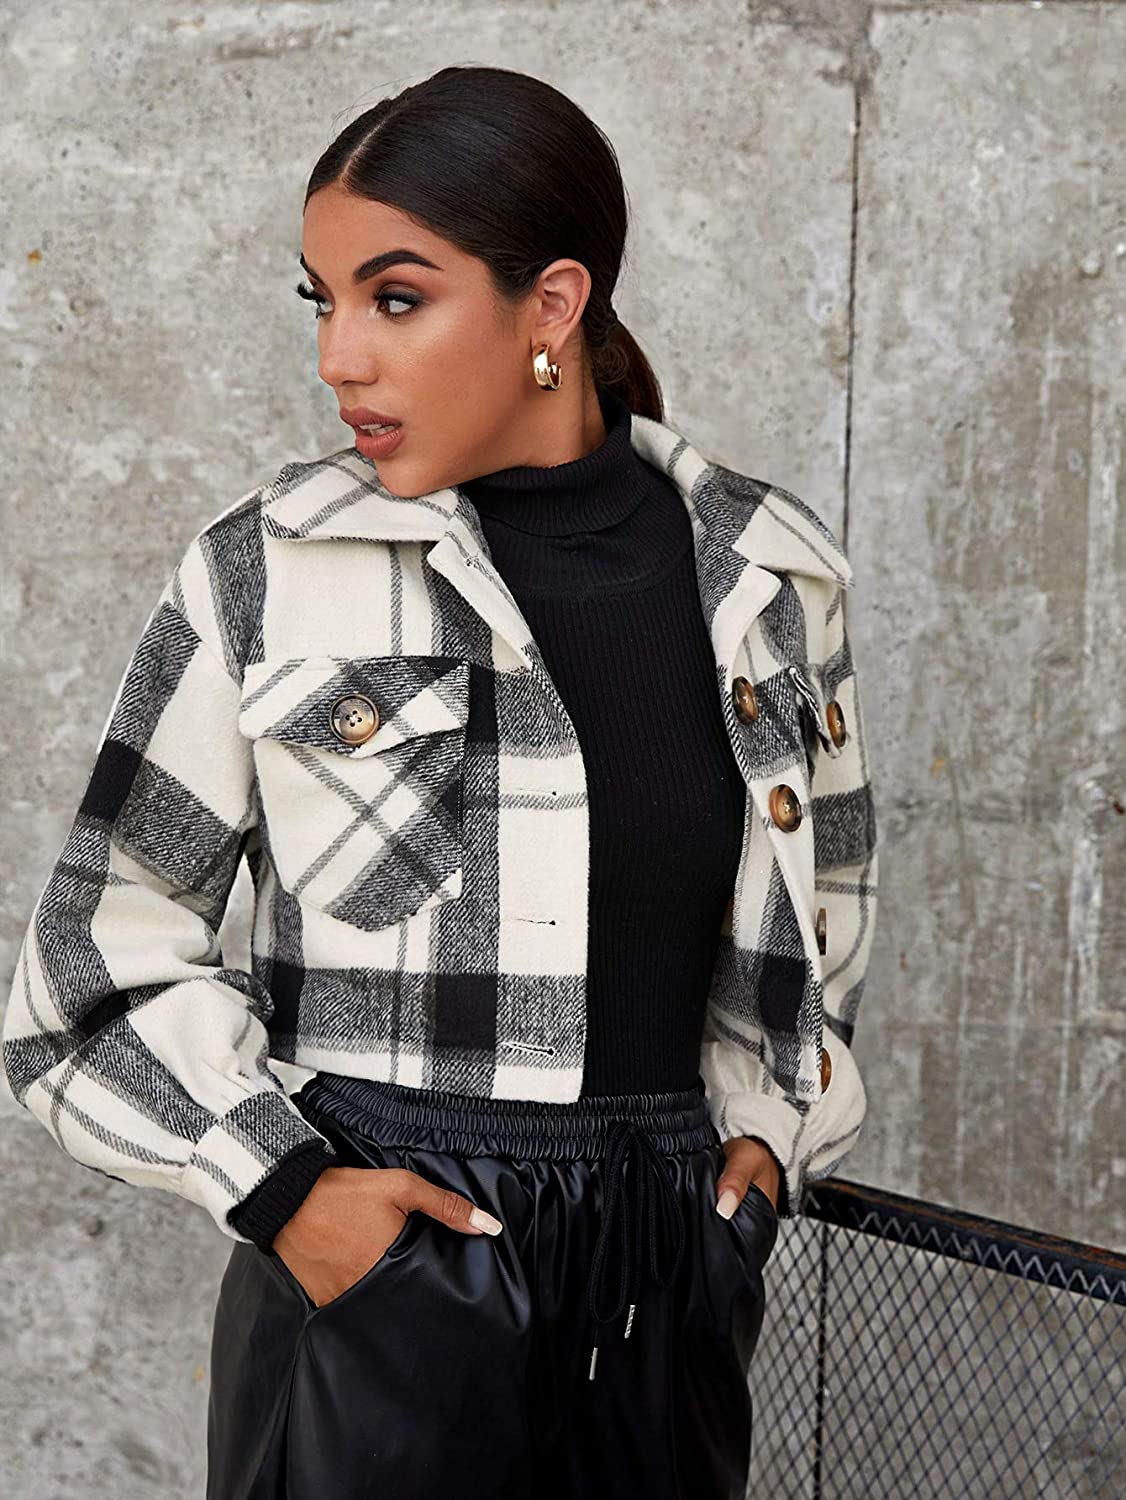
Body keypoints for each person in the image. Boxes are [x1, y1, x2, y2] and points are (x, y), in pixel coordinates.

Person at [1, 63, 878, 1500]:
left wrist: (763, 1153)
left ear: (552, 306)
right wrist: (289, 1192)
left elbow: (818, 921)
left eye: (394, 299)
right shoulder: (268, 568)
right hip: (382, 1274)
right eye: (323, 303)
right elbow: (85, 970)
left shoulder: (769, 579)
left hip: (666, 1278)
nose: (339, 358)